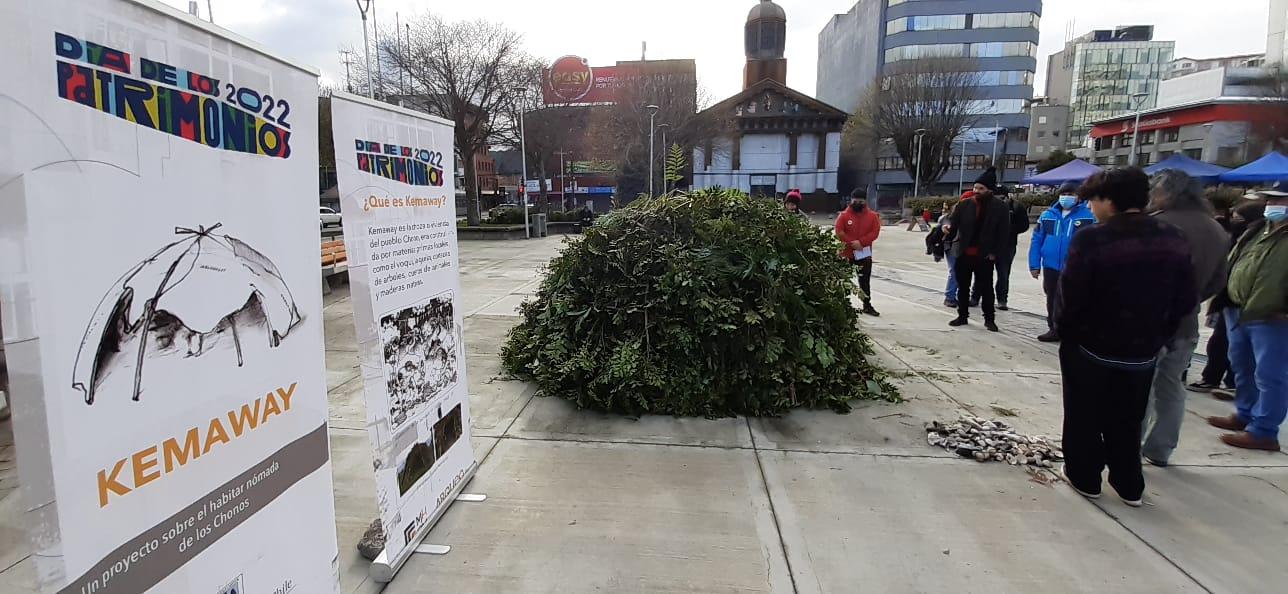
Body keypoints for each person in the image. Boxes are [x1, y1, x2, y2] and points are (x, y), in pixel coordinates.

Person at [1057, 168, 1197, 506]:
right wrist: (1159, 335)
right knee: (1128, 418)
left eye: (1093, 200)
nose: (1090, 208)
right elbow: (1186, 298)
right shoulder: (1173, 237)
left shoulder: (1093, 239)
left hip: (1092, 348)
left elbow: (1071, 296)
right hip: (1143, 351)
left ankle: (1085, 477)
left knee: (1084, 415)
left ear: (1109, 200)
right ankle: (1128, 483)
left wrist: (1066, 333)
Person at [1139, 171, 1230, 468]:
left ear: (1167, 193)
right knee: (1172, 387)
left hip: (1148, 322)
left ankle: (1128, 447)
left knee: (1140, 389)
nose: (1151, 196)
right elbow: (1219, 281)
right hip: (1186, 323)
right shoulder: (1215, 228)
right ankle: (1161, 448)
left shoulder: (1157, 225)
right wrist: (1192, 300)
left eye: (1155, 191)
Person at [1206, 186, 1288, 452]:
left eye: (1280, 200)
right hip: (1238, 309)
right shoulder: (1258, 229)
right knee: (1242, 366)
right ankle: (1245, 413)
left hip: (1272, 316)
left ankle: (1264, 430)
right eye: (1271, 199)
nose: (1272, 204)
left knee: (1270, 375)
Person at [1189, 199, 1266, 396]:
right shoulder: (1242, 237)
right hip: (1230, 299)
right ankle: (1215, 379)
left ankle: (1234, 384)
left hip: (1252, 304)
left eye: (1239, 218)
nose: (1234, 221)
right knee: (1224, 344)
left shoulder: (1259, 239)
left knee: (1243, 350)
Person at [1029, 181, 1097, 342]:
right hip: (1051, 265)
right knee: (1052, 297)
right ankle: (1054, 328)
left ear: (1078, 197)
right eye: (1063, 194)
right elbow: (1037, 239)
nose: (1066, 197)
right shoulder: (1048, 215)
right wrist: (1034, 264)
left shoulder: (1088, 216)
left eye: (1070, 194)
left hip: (1075, 266)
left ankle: (1074, 329)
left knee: (1074, 298)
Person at [946, 168, 1009, 331]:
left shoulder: (1000, 207)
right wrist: (947, 233)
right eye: (975, 187)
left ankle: (989, 319)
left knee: (986, 289)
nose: (977, 191)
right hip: (964, 253)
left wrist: (995, 253)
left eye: (981, 188)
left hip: (985, 255)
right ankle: (962, 316)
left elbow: (1003, 233)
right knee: (963, 287)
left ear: (989, 190)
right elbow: (953, 224)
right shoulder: (965, 204)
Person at [972, 186, 1031, 310]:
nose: (999, 200)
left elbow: (1024, 225)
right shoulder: (987, 206)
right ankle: (975, 297)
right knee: (981, 272)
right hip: (987, 245)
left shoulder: (1016, 207)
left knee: (1003, 274)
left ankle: (1002, 300)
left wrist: (1008, 230)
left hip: (1007, 246)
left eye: (1002, 197)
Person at [835, 188, 882, 316]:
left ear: (865, 201)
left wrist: (861, 242)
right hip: (846, 252)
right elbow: (839, 231)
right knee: (843, 280)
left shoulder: (872, 216)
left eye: (861, 201)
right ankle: (842, 304)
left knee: (864, 281)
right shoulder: (843, 216)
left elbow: (875, 232)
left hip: (864, 252)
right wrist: (852, 243)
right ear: (851, 201)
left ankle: (867, 305)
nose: (858, 203)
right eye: (855, 201)